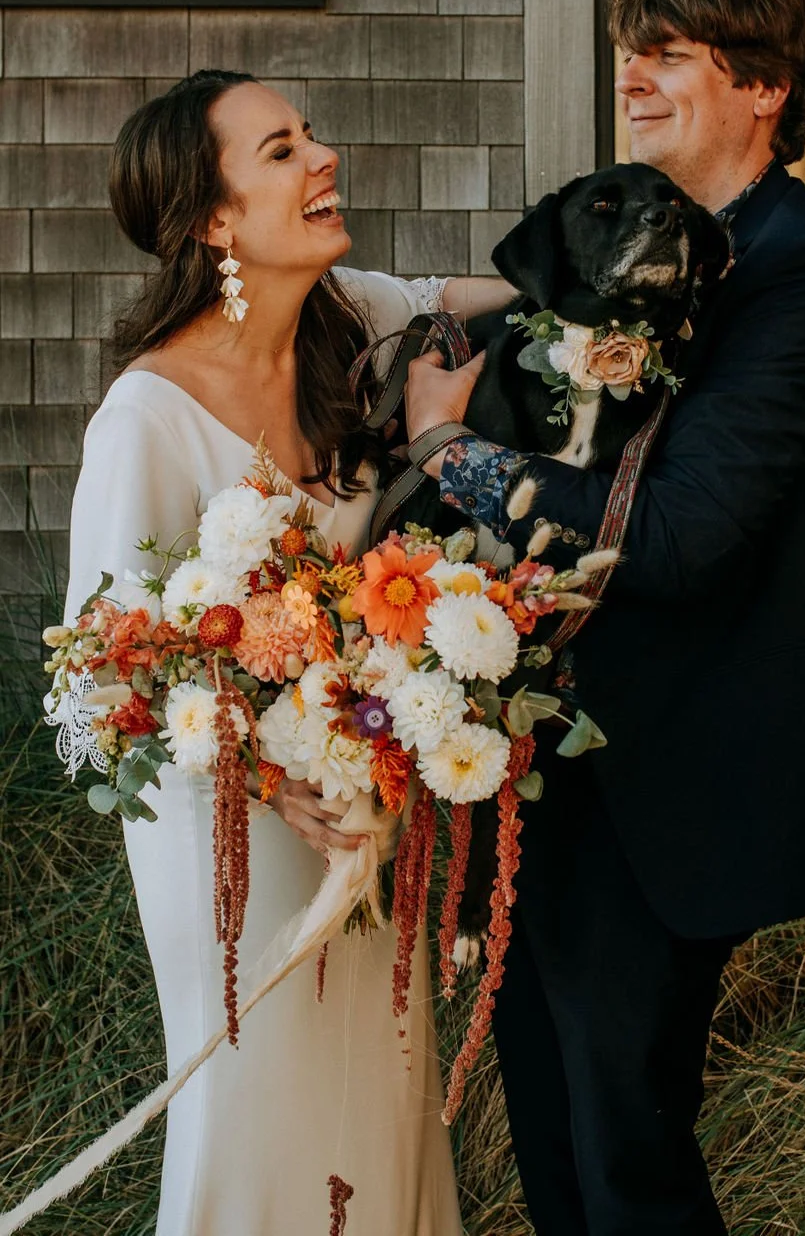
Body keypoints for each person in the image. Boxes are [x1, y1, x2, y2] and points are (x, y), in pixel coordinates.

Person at [404, 0, 805, 1234]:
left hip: (681, 772)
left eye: (667, 52)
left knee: (625, 1139)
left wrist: (449, 452)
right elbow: (508, 323)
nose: (633, 76)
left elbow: (675, 539)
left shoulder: (800, 274)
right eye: (631, 50)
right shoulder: (645, 243)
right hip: (552, 768)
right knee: (556, 1117)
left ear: (766, 85)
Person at [62, 69, 514, 1236]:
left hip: (364, 798)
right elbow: (96, 680)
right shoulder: (145, 419)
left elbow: (456, 298)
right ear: (213, 220)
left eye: (309, 135)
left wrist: (589, 273)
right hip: (234, 834)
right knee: (262, 1104)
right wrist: (270, 771)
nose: (321, 157)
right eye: (281, 149)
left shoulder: (348, 318)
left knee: (384, 1098)